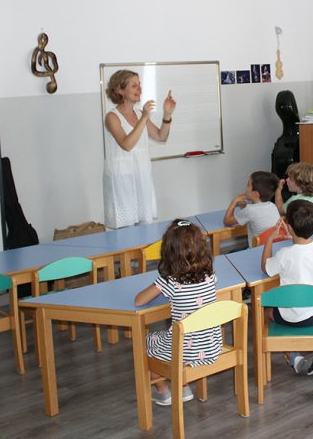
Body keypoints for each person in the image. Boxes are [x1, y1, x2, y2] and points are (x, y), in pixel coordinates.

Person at [134, 219, 223, 406]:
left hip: (184, 350)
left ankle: (163, 391)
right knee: (182, 336)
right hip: (210, 346)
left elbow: (139, 300)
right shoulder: (210, 276)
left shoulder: (170, 281)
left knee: (145, 342)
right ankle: (183, 386)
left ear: (169, 251)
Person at [261, 199, 313, 377]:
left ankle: (291, 353)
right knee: (303, 309)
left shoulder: (285, 254)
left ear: (289, 228)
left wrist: (270, 239)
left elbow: (266, 268)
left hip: (294, 317)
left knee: (266, 311)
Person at [102, 69, 176, 228]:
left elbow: (161, 136)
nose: (139, 89)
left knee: (144, 230)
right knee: (124, 232)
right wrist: (143, 117)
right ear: (119, 90)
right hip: (121, 181)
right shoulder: (112, 117)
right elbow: (127, 144)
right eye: (134, 85)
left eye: (139, 85)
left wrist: (167, 114)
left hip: (142, 177)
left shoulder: (139, 114)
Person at [223, 171, 281, 247]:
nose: (246, 188)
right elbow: (256, 213)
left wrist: (234, 201)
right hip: (272, 247)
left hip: (257, 250)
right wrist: (244, 207)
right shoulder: (272, 206)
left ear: (256, 194)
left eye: (248, 185)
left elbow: (227, 221)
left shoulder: (249, 210)